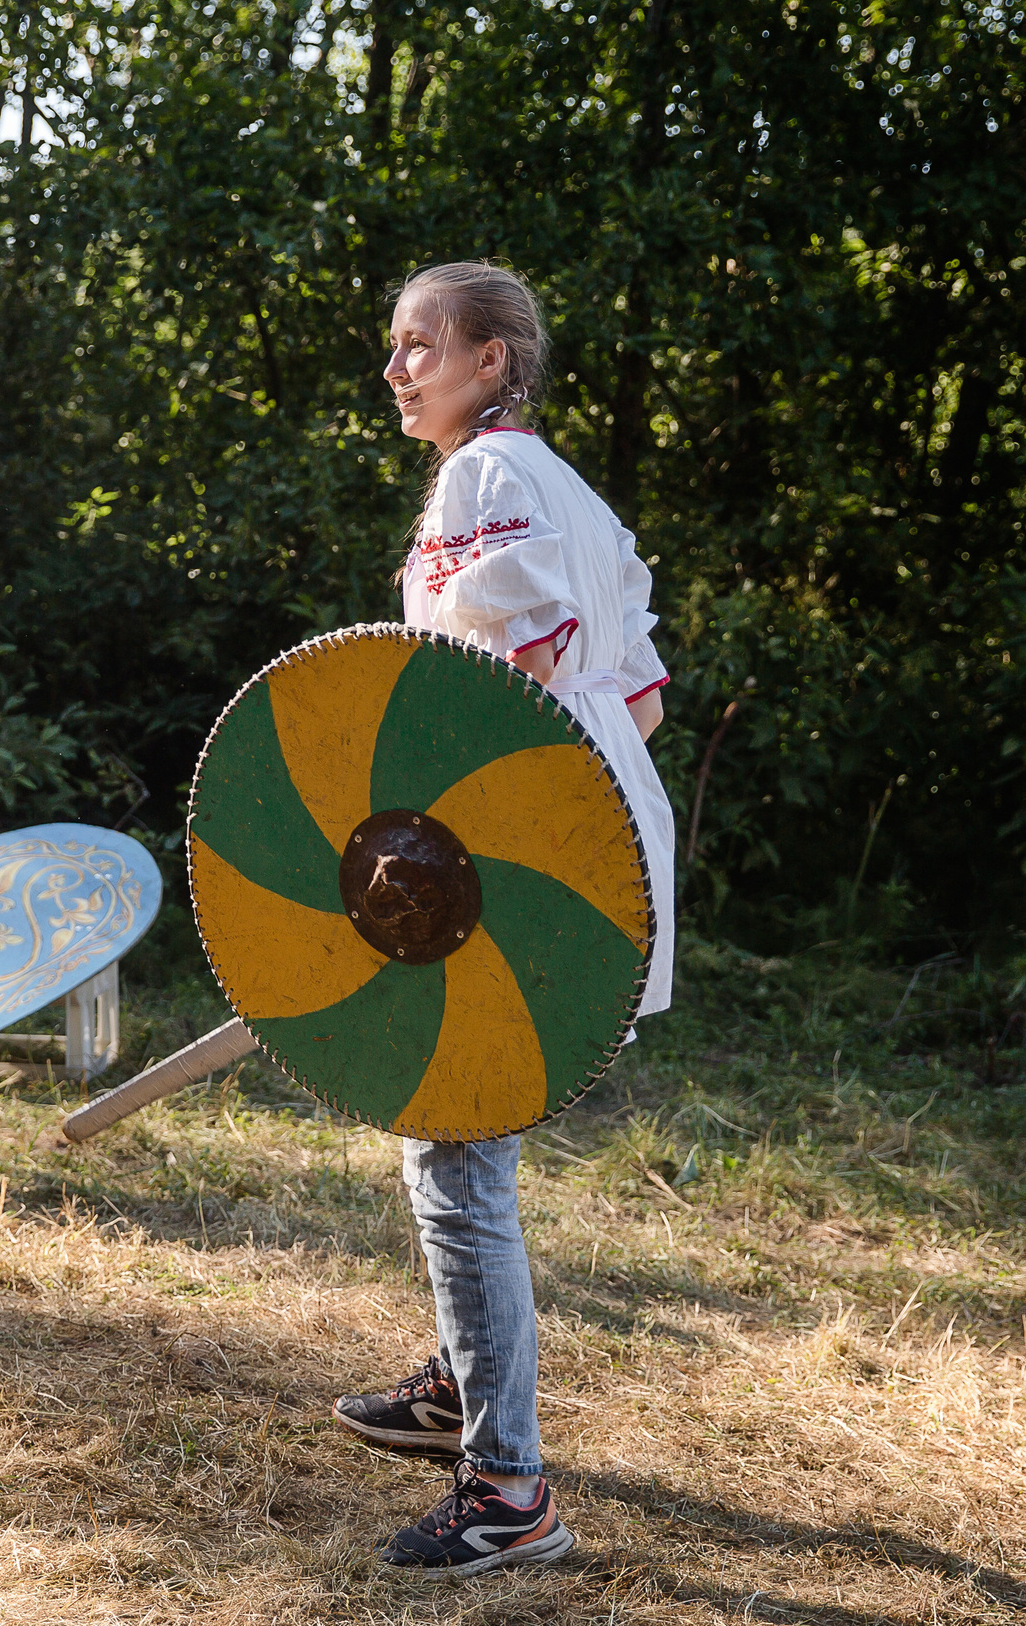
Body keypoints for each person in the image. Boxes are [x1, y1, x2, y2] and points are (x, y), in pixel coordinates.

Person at [330, 261, 676, 1576]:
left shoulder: (484, 481)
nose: (397, 367)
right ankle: (457, 1391)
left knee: (454, 1149)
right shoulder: (577, 495)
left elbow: (493, 686)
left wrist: (425, 858)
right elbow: (634, 704)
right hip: (600, 840)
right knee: (468, 1134)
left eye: (421, 344)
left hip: (521, 854)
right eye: (396, 346)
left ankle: (507, 1486)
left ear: (491, 361)